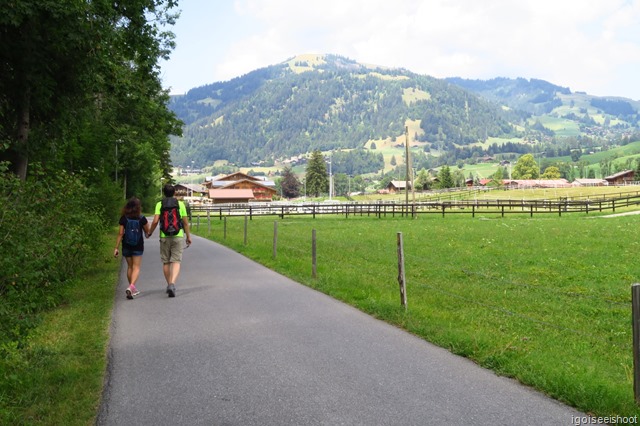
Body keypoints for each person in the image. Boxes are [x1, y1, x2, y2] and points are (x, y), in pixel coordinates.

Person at [147, 184, 192, 297]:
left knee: (166, 261)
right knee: (176, 261)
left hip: (164, 236)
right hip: (178, 235)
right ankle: (172, 284)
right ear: (174, 193)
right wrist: (188, 236)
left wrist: (150, 232)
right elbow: (185, 223)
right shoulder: (180, 204)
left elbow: (155, 221)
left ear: (164, 193)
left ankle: (169, 285)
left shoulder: (159, 204)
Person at [114, 197, 151, 299]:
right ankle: (131, 287)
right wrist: (148, 233)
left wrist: (116, 247)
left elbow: (121, 233)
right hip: (138, 245)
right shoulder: (142, 218)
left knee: (130, 267)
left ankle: (131, 288)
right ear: (138, 207)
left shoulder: (123, 218)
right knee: (136, 267)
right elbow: (148, 232)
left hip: (126, 245)